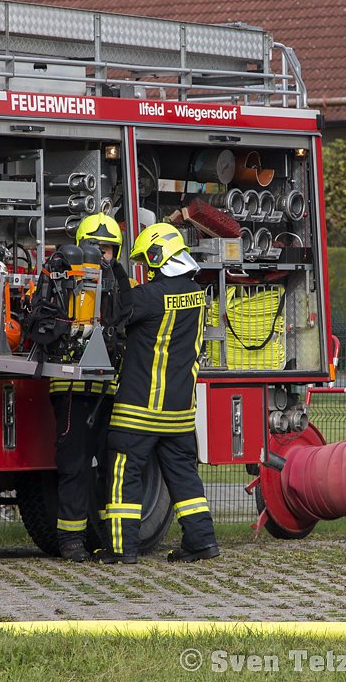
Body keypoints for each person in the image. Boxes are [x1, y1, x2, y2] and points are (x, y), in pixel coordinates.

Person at [94, 223, 219, 564]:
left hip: (139, 407)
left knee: (124, 473)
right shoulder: (197, 293)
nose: (147, 271)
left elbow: (117, 311)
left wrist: (112, 269)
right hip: (180, 411)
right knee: (183, 476)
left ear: (157, 256)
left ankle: (122, 549)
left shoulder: (150, 296)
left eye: (148, 263)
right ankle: (202, 541)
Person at [50, 213, 132, 562]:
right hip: (70, 385)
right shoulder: (61, 275)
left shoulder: (120, 279)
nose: (103, 255)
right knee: (75, 464)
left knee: (112, 465)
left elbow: (129, 321)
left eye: (110, 249)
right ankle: (71, 541)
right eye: (96, 246)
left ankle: (109, 539)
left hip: (108, 388)